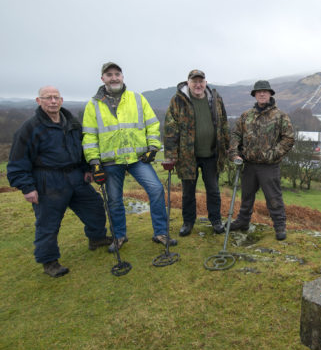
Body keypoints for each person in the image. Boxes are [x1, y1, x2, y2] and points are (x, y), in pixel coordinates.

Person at [7, 86, 111, 277]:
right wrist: (27, 187)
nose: (53, 101)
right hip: (48, 180)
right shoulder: (30, 128)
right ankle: (49, 262)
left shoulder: (72, 123)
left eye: (56, 97)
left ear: (61, 100)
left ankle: (97, 238)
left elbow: (81, 149)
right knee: (48, 222)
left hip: (75, 176)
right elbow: (17, 161)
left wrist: (86, 169)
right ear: (39, 101)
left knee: (95, 206)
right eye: (48, 98)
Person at [82, 62, 175, 253]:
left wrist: (153, 147)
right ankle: (119, 236)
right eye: (109, 74)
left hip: (137, 159)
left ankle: (160, 233)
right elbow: (89, 136)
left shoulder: (137, 98)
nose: (114, 77)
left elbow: (152, 124)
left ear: (122, 77)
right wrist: (95, 162)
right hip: (110, 162)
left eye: (117, 74)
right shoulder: (93, 105)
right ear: (103, 79)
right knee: (114, 200)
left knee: (156, 189)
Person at [163, 69, 229, 236]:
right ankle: (188, 222)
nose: (198, 85)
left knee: (213, 190)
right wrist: (171, 154)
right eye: (194, 82)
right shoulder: (178, 100)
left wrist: (227, 146)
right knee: (188, 192)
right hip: (187, 156)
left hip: (212, 154)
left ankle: (215, 220)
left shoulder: (215, 98)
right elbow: (170, 128)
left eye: (201, 81)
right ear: (188, 83)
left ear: (205, 82)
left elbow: (224, 123)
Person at [229, 80, 295, 240]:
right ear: (255, 95)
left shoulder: (280, 116)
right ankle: (243, 221)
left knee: (273, 198)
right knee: (246, 196)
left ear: (270, 94)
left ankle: (279, 226)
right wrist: (234, 153)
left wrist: (274, 154)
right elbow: (236, 135)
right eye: (259, 92)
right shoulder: (246, 116)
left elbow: (289, 138)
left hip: (269, 167)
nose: (262, 94)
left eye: (265, 91)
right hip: (249, 164)